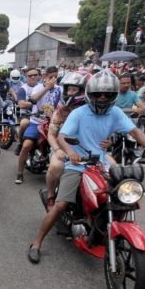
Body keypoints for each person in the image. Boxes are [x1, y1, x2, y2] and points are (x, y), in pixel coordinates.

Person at [26, 70, 145, 263]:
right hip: (78, 164)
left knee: (123, 195)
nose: (103, 97)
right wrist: (71, 153)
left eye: (107, 94)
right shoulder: (79, 113)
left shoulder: (115, 112)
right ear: (90, 94)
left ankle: (108, 227)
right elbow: (61, 137)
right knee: (60, 204)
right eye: (98, 93)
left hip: (101, 162)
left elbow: (134, 131)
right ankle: (37, 242)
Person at [44, 72, 87, 208]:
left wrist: (107, 141)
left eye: (74, 89)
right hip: (63, 148)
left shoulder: (90, 109)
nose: (71, 92)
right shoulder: (61, 110)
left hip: (87, 149)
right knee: (56, 166)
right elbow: (51, 134)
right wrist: (57, 150)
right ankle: (51, 195)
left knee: (113, 169)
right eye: (69, 89)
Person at [16, 67, 62, 184]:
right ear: (45, 77)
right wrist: (47, 88)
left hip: (53, 123)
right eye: (50, 77)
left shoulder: (60, 89)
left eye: (55, 77)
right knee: (26, 146)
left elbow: (63, 105)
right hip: (36, 122)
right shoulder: (38, 87)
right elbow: (33, 99)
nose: (53, 79)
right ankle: (20, 173)